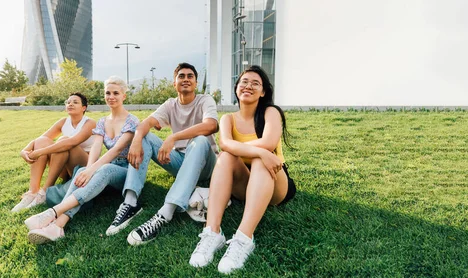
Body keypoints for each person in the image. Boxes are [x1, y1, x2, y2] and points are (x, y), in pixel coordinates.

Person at [188, 65, 296, 274]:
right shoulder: (228, 119)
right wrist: (260, 151)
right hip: (245, 184)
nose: (248, 86)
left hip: (275, 183)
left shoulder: (270, 112)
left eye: (256, 83)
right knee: (227, 156)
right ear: (237, 88)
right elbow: (225, 145)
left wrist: (262, 153)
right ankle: (212, 233)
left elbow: (269, 142)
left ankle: (244, 238)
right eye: (244, 82)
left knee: (259, 160)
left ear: (263, 92)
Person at [105, 62, 219, 245]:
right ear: (175, 83)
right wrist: (136, 140)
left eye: (190, 76)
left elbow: (211, 125)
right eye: (181, 76)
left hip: (206, 162)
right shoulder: (170, 104)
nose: (186, 79)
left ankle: (165, 213)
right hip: (181, 160)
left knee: (200, 140)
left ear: (196, 83)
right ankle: (130, 203)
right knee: (144, 135)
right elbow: (145, 123)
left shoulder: (204, 100)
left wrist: (173, 138)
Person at [23, 76, 140, 244]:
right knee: (82, 170)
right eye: (108, 93)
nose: (111, 96)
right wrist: (88, 168)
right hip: (108, 164)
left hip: (127, 172)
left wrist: (92, 169)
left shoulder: (132, 120)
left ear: (124, 96)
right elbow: (96, 147)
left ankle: (53, 212)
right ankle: (58, 226)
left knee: (102, 169)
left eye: (116, 93)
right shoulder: (102, 121)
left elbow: (116, 149)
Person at [12, 92, 96, 213]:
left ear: (84, 108)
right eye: (68, 102)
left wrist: (40, 152)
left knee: (64, 141)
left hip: (82, 169)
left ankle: (45, 192)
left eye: (75, 102)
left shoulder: (90, 123)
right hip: (63, 168)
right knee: (43, 141)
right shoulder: (63, 122)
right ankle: (33, 191)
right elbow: (40, 140)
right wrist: (24, 150)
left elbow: (72, 143)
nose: (70, 104)